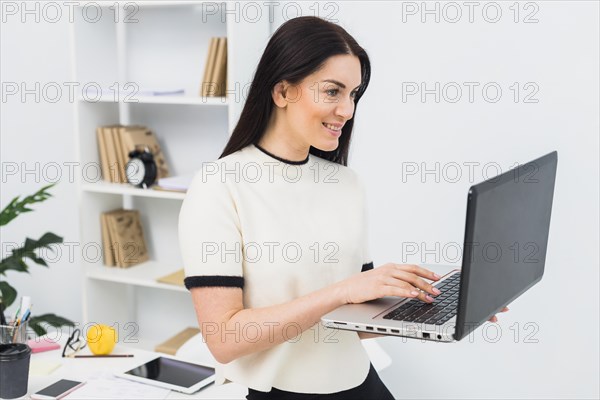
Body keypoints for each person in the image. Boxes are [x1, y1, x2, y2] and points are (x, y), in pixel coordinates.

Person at [178, 16, 507, 399]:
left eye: (353, 94)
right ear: (283, 91)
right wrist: (340, 291)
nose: (347, 110)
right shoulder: (219, 186)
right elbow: (224, 338)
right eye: (332, 91)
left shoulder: (346, 184)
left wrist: (435, 310)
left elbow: (353, 317)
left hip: (360, 383)